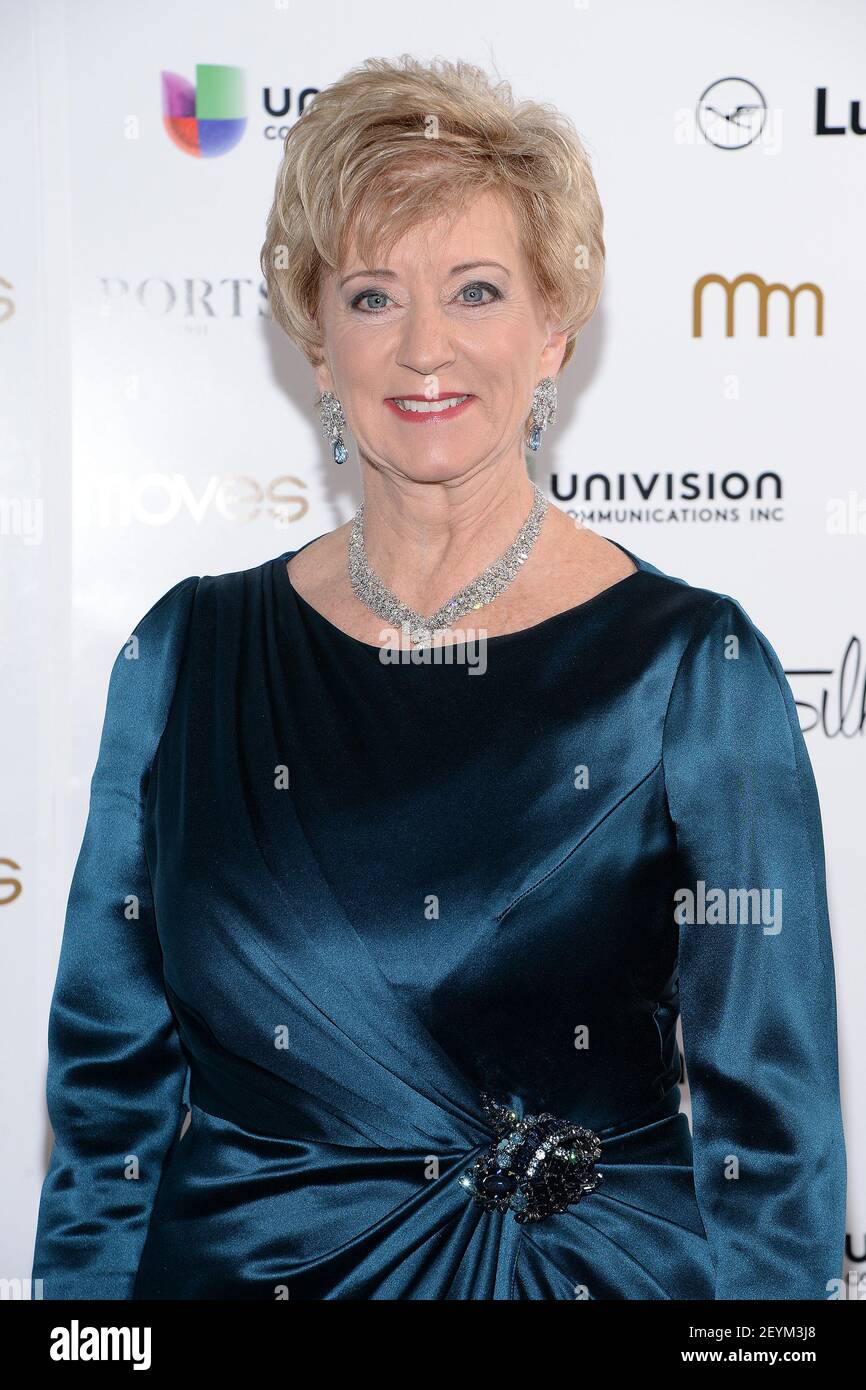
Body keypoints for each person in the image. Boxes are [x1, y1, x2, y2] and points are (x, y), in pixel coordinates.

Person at [32, 54, 846, 1300]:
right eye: (371, 297)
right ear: (312, 336)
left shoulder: (690, 667)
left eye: (475, 290)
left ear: (554, 328)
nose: (423, 348)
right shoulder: (187, 656)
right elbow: (105, 1110)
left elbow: (769, 1153)